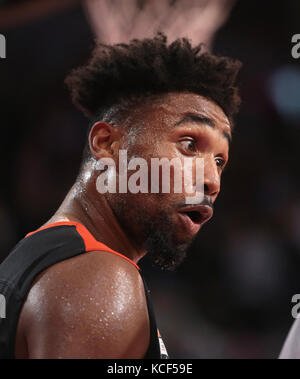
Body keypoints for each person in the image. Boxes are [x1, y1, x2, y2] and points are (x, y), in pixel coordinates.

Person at [0, 34, 241, 359]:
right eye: (188, 145)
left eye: (219, 161)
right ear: (106, 144)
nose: (212, 181)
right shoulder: (101, 278)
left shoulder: (41, 257)